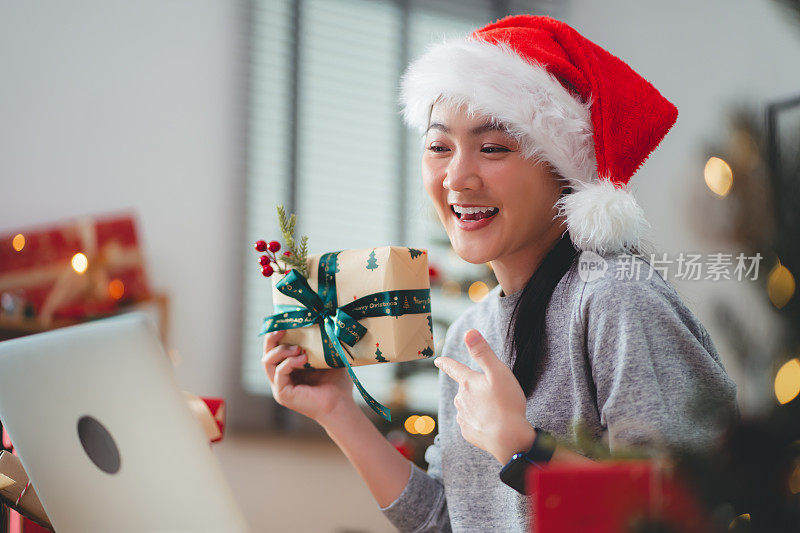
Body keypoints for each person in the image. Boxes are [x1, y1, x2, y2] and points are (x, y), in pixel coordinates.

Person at [262, 14, 738, 533]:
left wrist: (523, 448)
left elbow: (686, 511)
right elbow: (452, 520)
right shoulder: (470, 333)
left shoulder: (616, 298)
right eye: (439, 147)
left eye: (493, 148)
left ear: (561, 168)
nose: (457, 177)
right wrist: (337, 411)